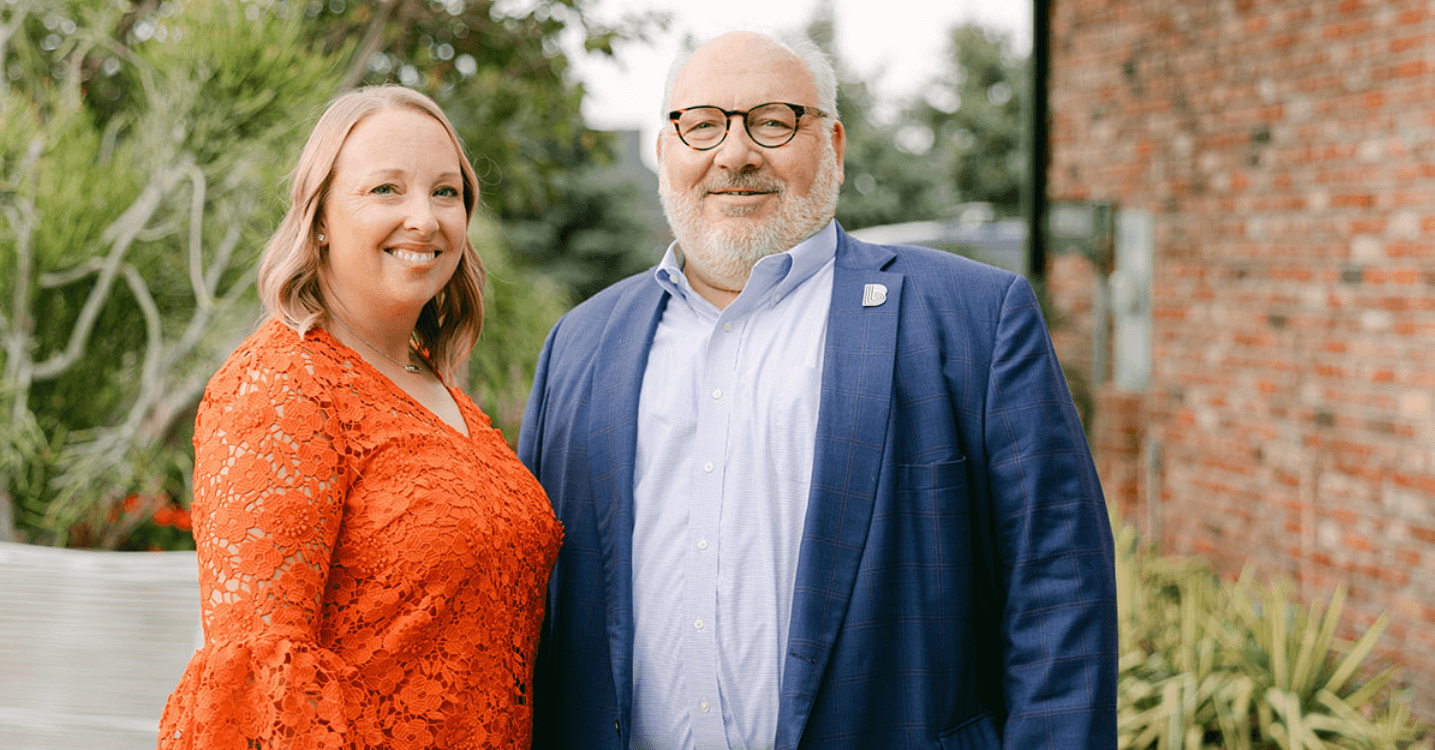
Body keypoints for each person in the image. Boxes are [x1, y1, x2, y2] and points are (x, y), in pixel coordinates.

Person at [518, 31, 1117, 750]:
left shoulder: (974, 321)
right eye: (702, 124)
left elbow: (1059, 597)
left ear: (832, 142)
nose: (734, 154)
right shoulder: (580, 344)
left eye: (772, 121)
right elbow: (534, 616)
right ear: (664, 152)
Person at [158, 85, 562, 749]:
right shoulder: (281, 387)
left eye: (445, 192)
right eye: (385, 190)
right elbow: (264, 692)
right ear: (320, 218)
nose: (424, 219)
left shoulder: (437, 383)